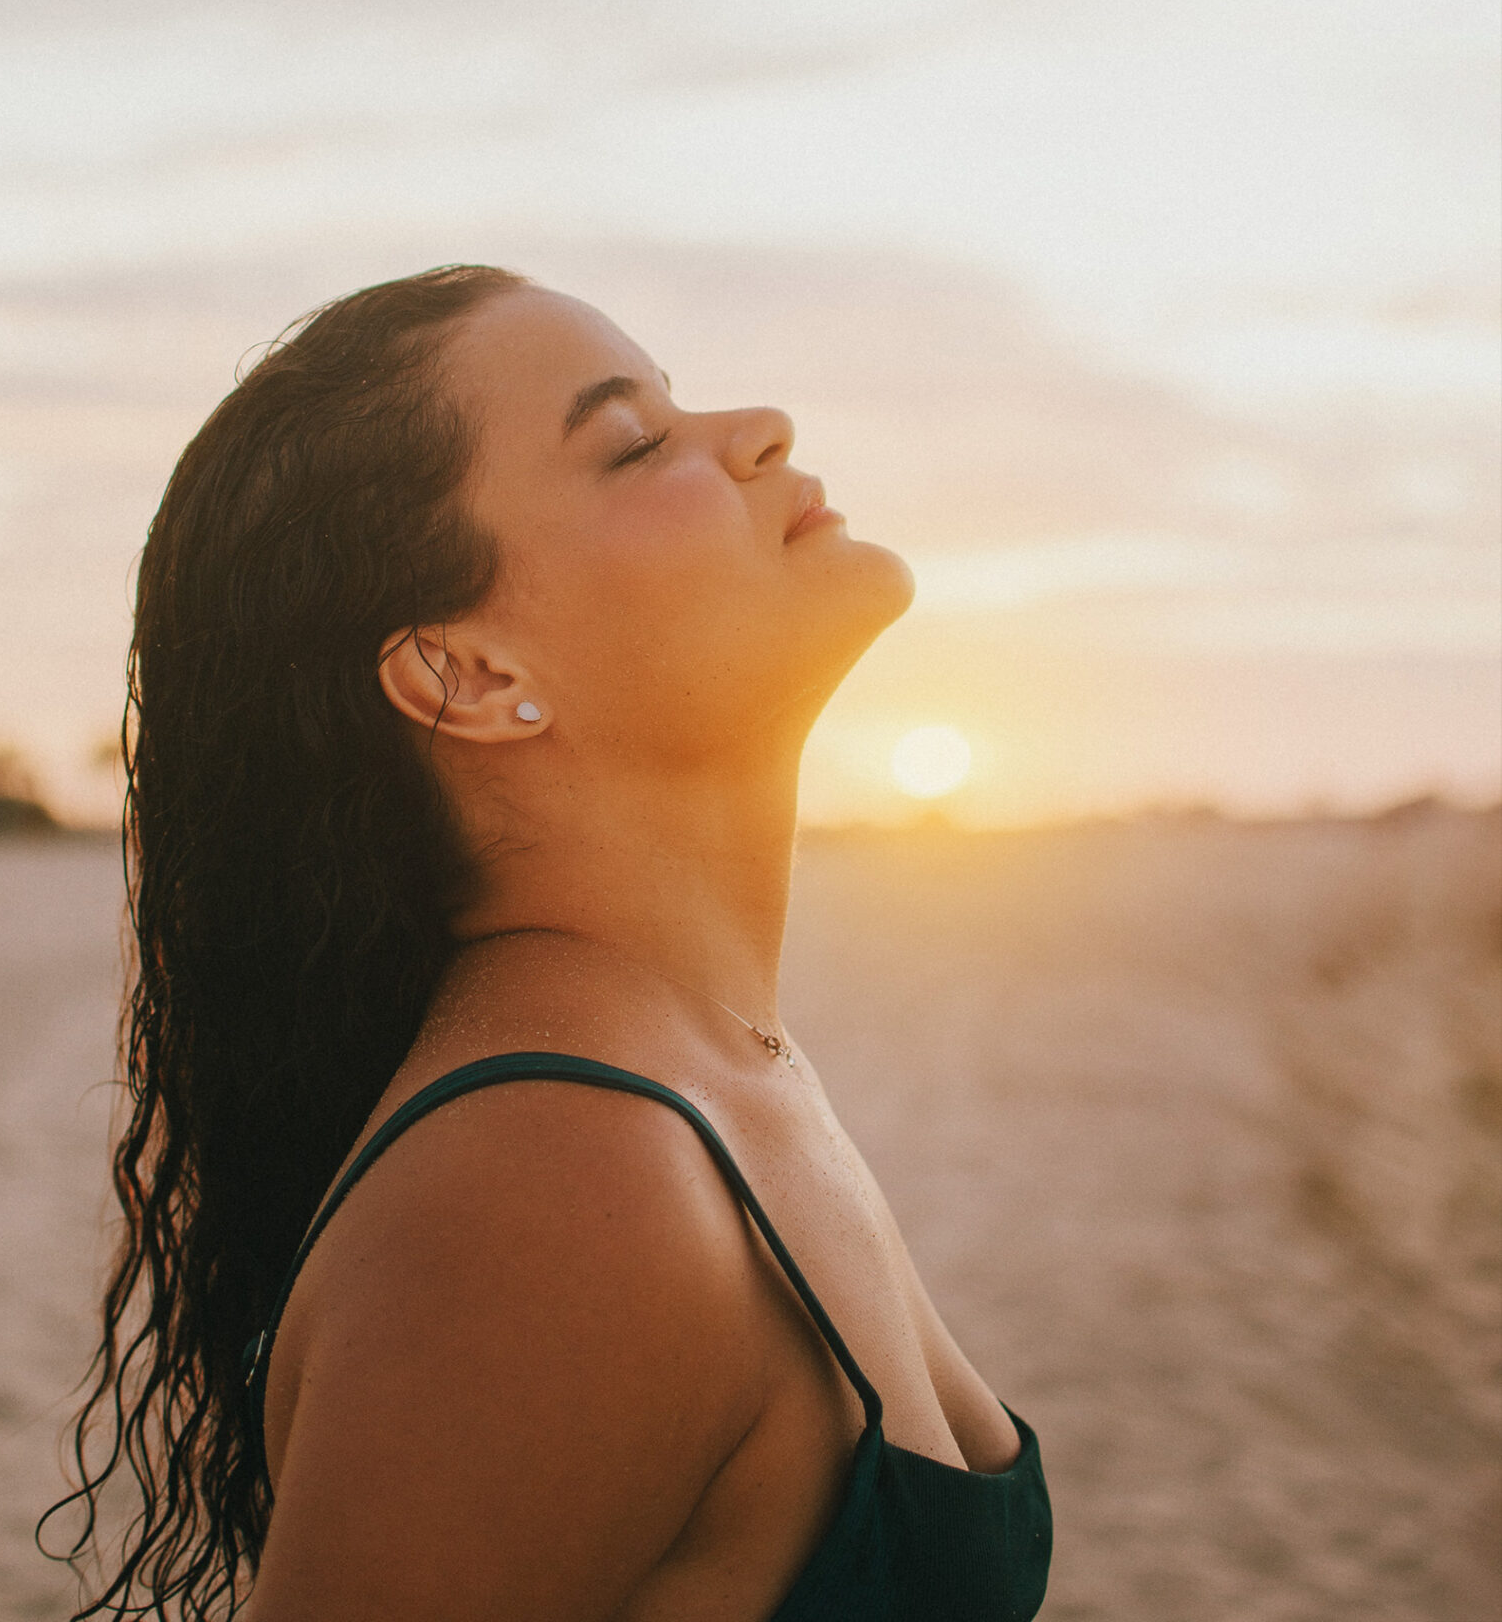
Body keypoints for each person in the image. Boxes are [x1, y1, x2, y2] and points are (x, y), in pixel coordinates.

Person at [55, 265, 1052, 1620]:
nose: (758, 425)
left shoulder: (709, 1064)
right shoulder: (554, 1181)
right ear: (469, 674)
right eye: (633, 441)